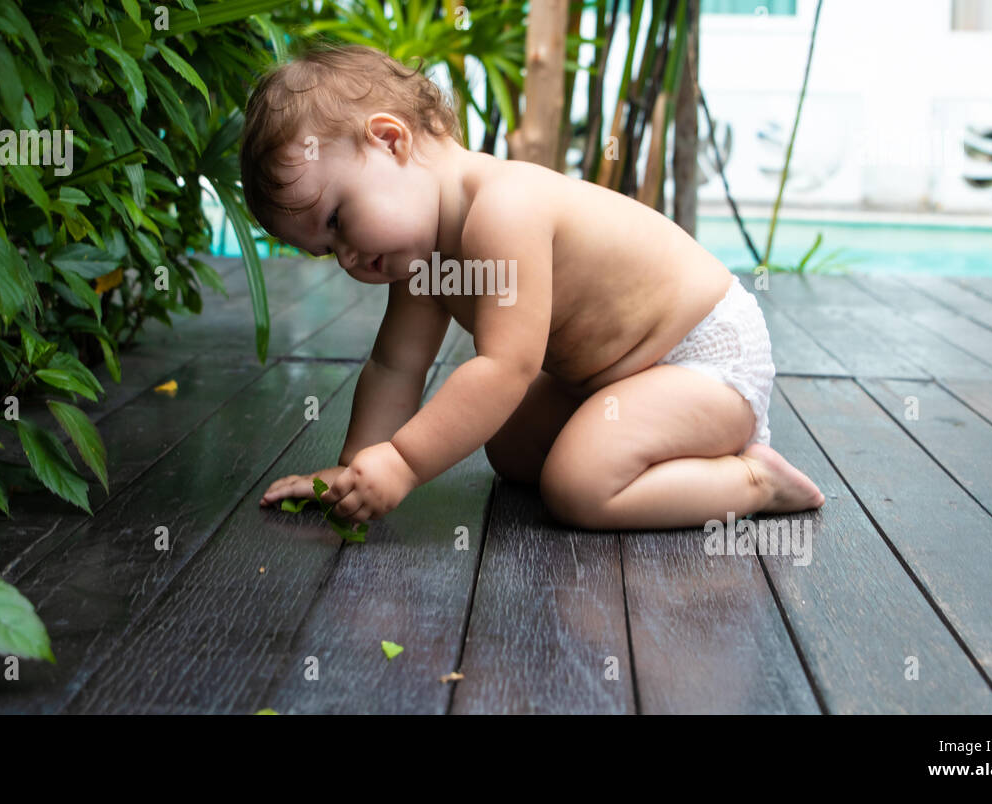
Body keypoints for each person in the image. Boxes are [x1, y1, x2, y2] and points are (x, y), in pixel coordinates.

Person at [244, 44, 824, 530]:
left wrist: (402, 463)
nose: (347, 257)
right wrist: (355, 469)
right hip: (618, 376)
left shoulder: (504, 208)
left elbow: (505, 368)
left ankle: (752, 480)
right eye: (326, 252)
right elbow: (396, 366)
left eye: (337, 221)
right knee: (511, 447)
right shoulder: (418, 258)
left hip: (702, 358)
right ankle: (662, 455)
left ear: (390, 140)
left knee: (578, 486)